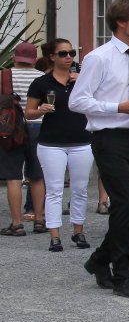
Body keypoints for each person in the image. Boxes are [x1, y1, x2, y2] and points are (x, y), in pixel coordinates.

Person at [68, 0, 129, 298]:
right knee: (123, 203)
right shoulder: (99, 58)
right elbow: (77, 101)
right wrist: (117, 107)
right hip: (109, 138)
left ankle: (99, 260)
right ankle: (123, 276)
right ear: (121, 22)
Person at [24, 39, 92, 252]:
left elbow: (98, 100)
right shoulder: (41, 83)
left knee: (80, 189)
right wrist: (41, 110)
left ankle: (78, 231)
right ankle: (54, 235)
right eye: (63, 53)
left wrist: (84, 80)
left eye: (71, 52)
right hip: (51, 143)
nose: (69, 56)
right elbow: (28, 113)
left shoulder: (83, 79)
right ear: (52, 57)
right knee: (54, 190)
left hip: (82, 140)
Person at [1, 41, 46, 235]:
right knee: (37, 175)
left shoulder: (4, 75)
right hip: (39, 126)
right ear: (34, 59)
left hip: (12, 129)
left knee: (13, 176)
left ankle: (17, 223)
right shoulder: (43, 77)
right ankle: (39, 219)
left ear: (14, 58)